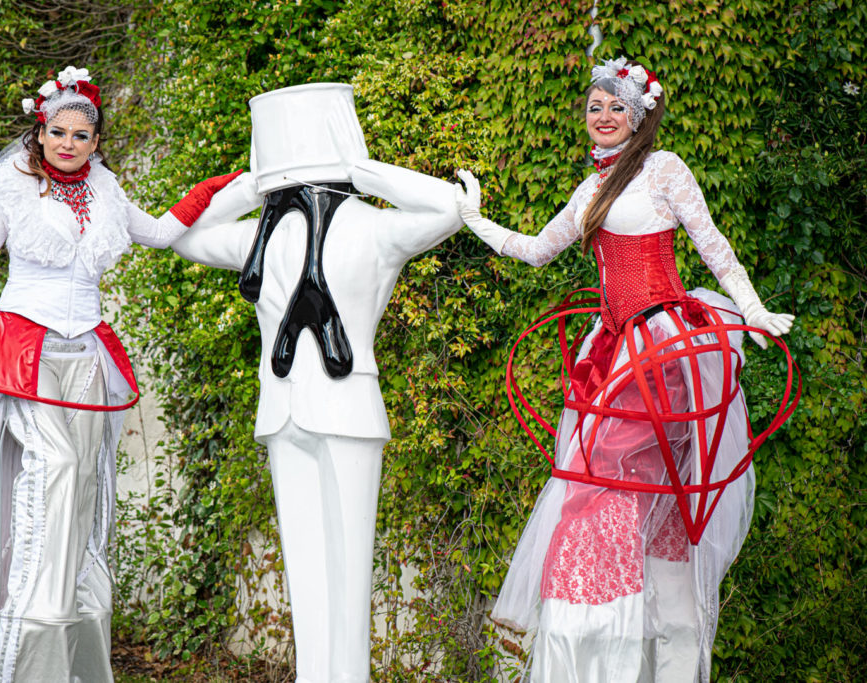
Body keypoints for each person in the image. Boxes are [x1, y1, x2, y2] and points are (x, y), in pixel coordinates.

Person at [0, 65, 238, 683]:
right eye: (59, 132)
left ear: (96, 143)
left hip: (87, 354)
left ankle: (74, 644)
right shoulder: (13, 189)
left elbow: (159, 233)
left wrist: (214, 189)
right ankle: (26, 646)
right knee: (58, 467)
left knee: (85, 488)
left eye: (82, 136)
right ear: (40, 133)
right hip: (23, 351)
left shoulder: (108, 191)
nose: (69, 144)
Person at [456, 57, 796, 682]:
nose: (604, 116)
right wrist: (474, 219)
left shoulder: (663, 170)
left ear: (638, 117)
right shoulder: (590, 190)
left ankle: (642, 644)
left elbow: (713, 245)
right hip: (611, 353)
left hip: (663, 350)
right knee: (605, 484)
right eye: (595, 106)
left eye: (617, 107)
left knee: (617, 479)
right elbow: (536, 250)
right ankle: (610, 649)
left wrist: (752, 309)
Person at [170, 82, 463, 683]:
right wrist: (255, 186)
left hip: (346, 405)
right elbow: (181, 236)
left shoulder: (371, 229)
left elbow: (452, 208)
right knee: (307, 569)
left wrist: (359, 170)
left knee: (349, 573)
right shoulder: (266, 235)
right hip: (287, 411)